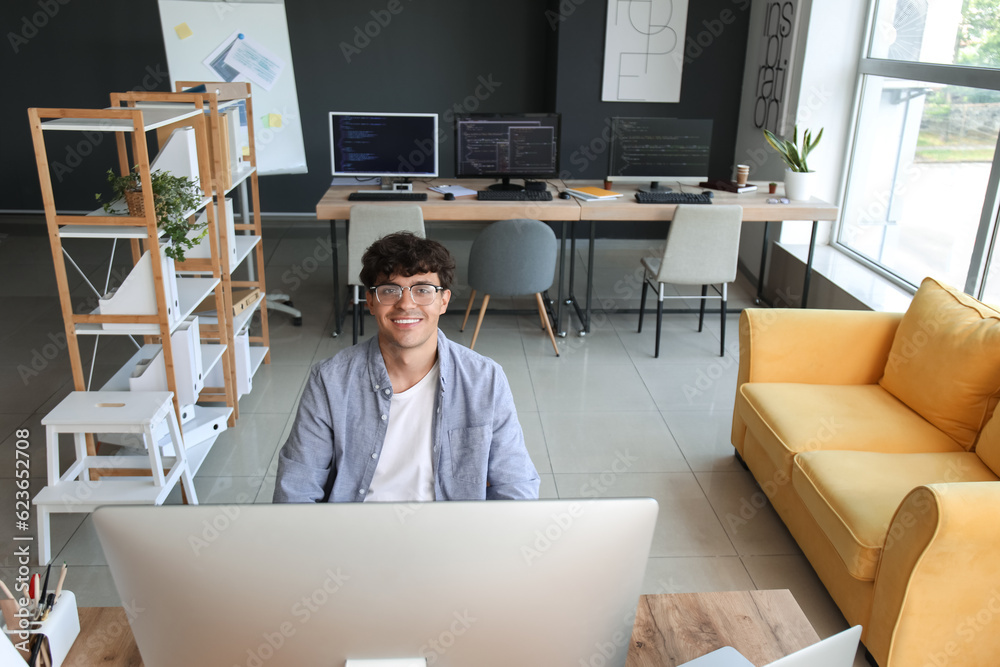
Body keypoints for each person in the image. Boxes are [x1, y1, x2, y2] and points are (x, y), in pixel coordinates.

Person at [274, 231, 539, 502]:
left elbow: (516, 486)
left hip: (452, 534)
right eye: (390, 290)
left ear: (443, 301)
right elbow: (297, 489)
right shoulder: (329, 381)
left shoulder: (485, 379)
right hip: (356, 533)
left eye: (422, 290)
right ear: (371, 302)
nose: (406, 304)